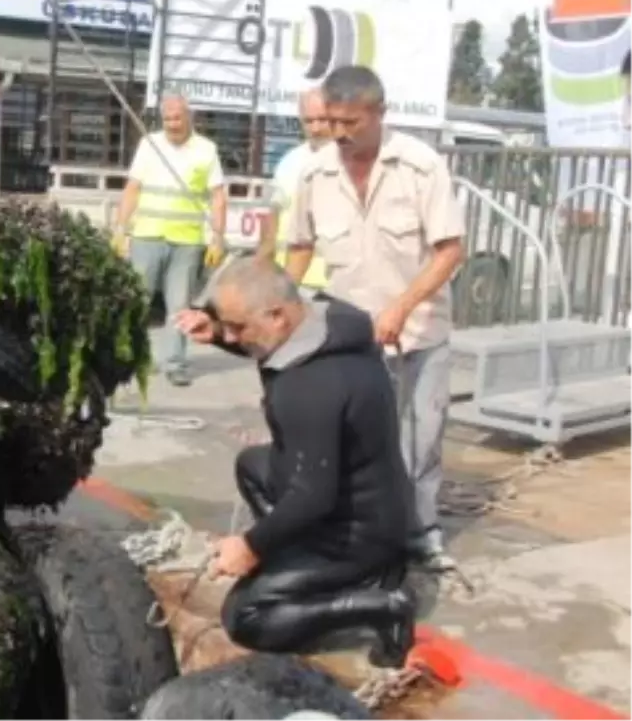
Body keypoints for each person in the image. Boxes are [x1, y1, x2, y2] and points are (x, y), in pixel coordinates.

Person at [175, 257, 415, 665]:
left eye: (237, 327)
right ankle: (299, 559)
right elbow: (259, 336)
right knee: (251, 465)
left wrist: (251, 546)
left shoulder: (310, 386)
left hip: (356, 528)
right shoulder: (328, 319)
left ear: (277, 316)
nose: (232, 336)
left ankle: (381, 603)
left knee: (246, 616)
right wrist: (216, 332)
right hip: (371, 496)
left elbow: (313, 496)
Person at [283, 65, 466, 568]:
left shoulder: (420, 166)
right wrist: (281, 303)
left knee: (419, 438)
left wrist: (401, 307)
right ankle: (357, 532)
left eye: (350, 123)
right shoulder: (315, 173)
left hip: (420, 332)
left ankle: (420, 531)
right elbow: (299, 245)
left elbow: (450, 251)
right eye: (331, 122)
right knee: (354, 440)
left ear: (379, 114)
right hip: (350, 337)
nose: (339, 134)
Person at [113, 92, 227, 387]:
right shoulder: (149, 145)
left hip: (187, 242)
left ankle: (175, 363)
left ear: (189, 117)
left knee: (180, 305)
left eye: (177, 118)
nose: (172, 124)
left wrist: (217, 238)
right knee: (137, 300)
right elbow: (132, 188)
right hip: (147, 236)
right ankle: (129, 359)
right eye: (167, 119)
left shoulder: (206, 150)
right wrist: (120, 229)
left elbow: (218, 197)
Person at [258, 88, 331, 295]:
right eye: (309, 121)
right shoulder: (290, 161)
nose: (316, 128)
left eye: (322, 120)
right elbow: (273, 215)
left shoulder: (352, 164)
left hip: (334, 285)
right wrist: (262, 266)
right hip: (290, 281)